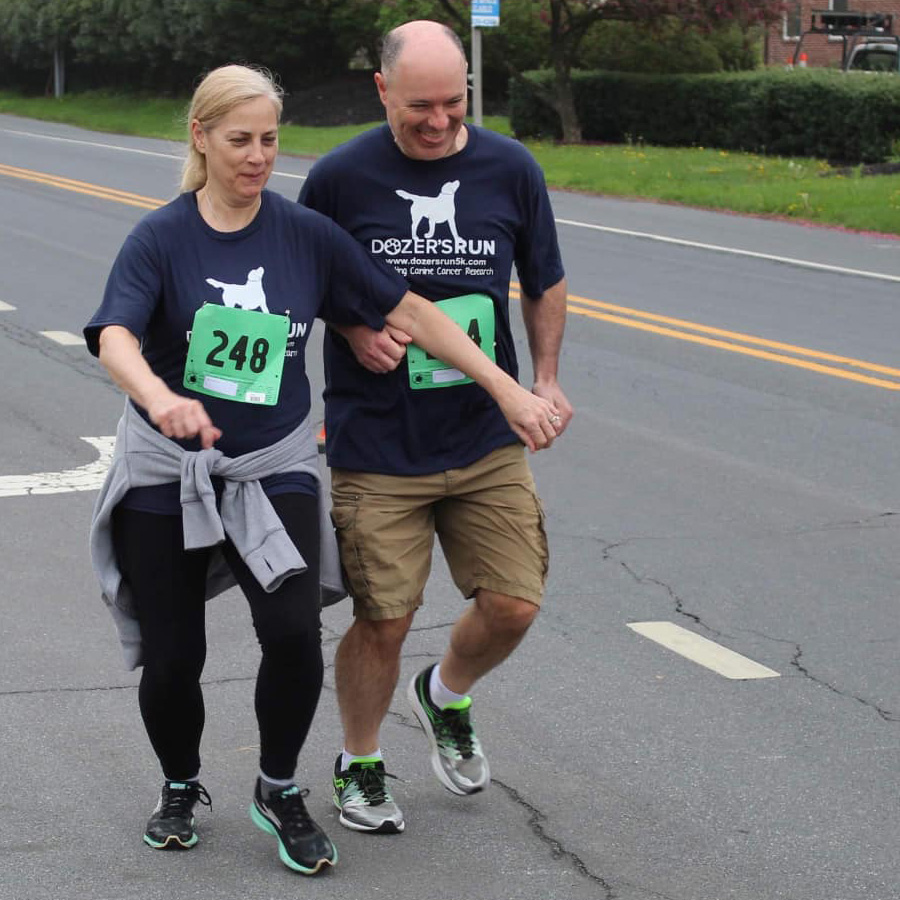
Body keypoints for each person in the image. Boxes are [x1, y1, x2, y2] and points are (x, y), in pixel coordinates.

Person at [84, 64, 561, 875]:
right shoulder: (160, 238)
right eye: (240, 141)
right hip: (171, 470)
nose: (258, 157)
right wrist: (161, 398)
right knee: (172, 658)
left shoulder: (302, 233)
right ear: (201, 138)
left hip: (274, 468)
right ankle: (179, 781)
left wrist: (509, 388)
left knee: (294, 640)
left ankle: (278, 788)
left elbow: (407, 310)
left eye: (269, 140)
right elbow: (114, 335)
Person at [299, 20, 574, 836]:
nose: (439, 120)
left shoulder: (508, 167)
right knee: (384, 615)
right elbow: (300, 279)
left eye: (455, 102)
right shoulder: (342, 178)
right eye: (421, 104)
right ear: (382, 90)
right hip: (379, 441)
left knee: (515, 604)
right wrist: (351, 329)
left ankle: (445, 692)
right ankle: (360, 761)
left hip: (483, 433)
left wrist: (547, 378)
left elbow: (544, 277)